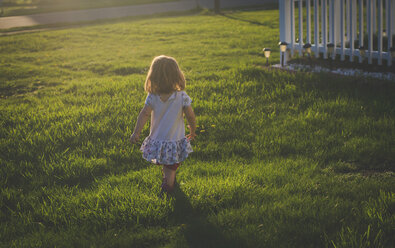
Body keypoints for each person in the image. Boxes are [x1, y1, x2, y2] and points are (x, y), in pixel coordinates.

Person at [130, 55, 196, 197]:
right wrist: (193, 128)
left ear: (153, 76)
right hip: (174, 139)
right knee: (171, 166)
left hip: (159, 139)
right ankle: (168, 187)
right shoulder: (182, 96)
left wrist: (136, 132)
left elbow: (144, 115)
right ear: (177, 76)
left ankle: (168, 180)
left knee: (168, 164)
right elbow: (190, 115)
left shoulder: (152, 97)